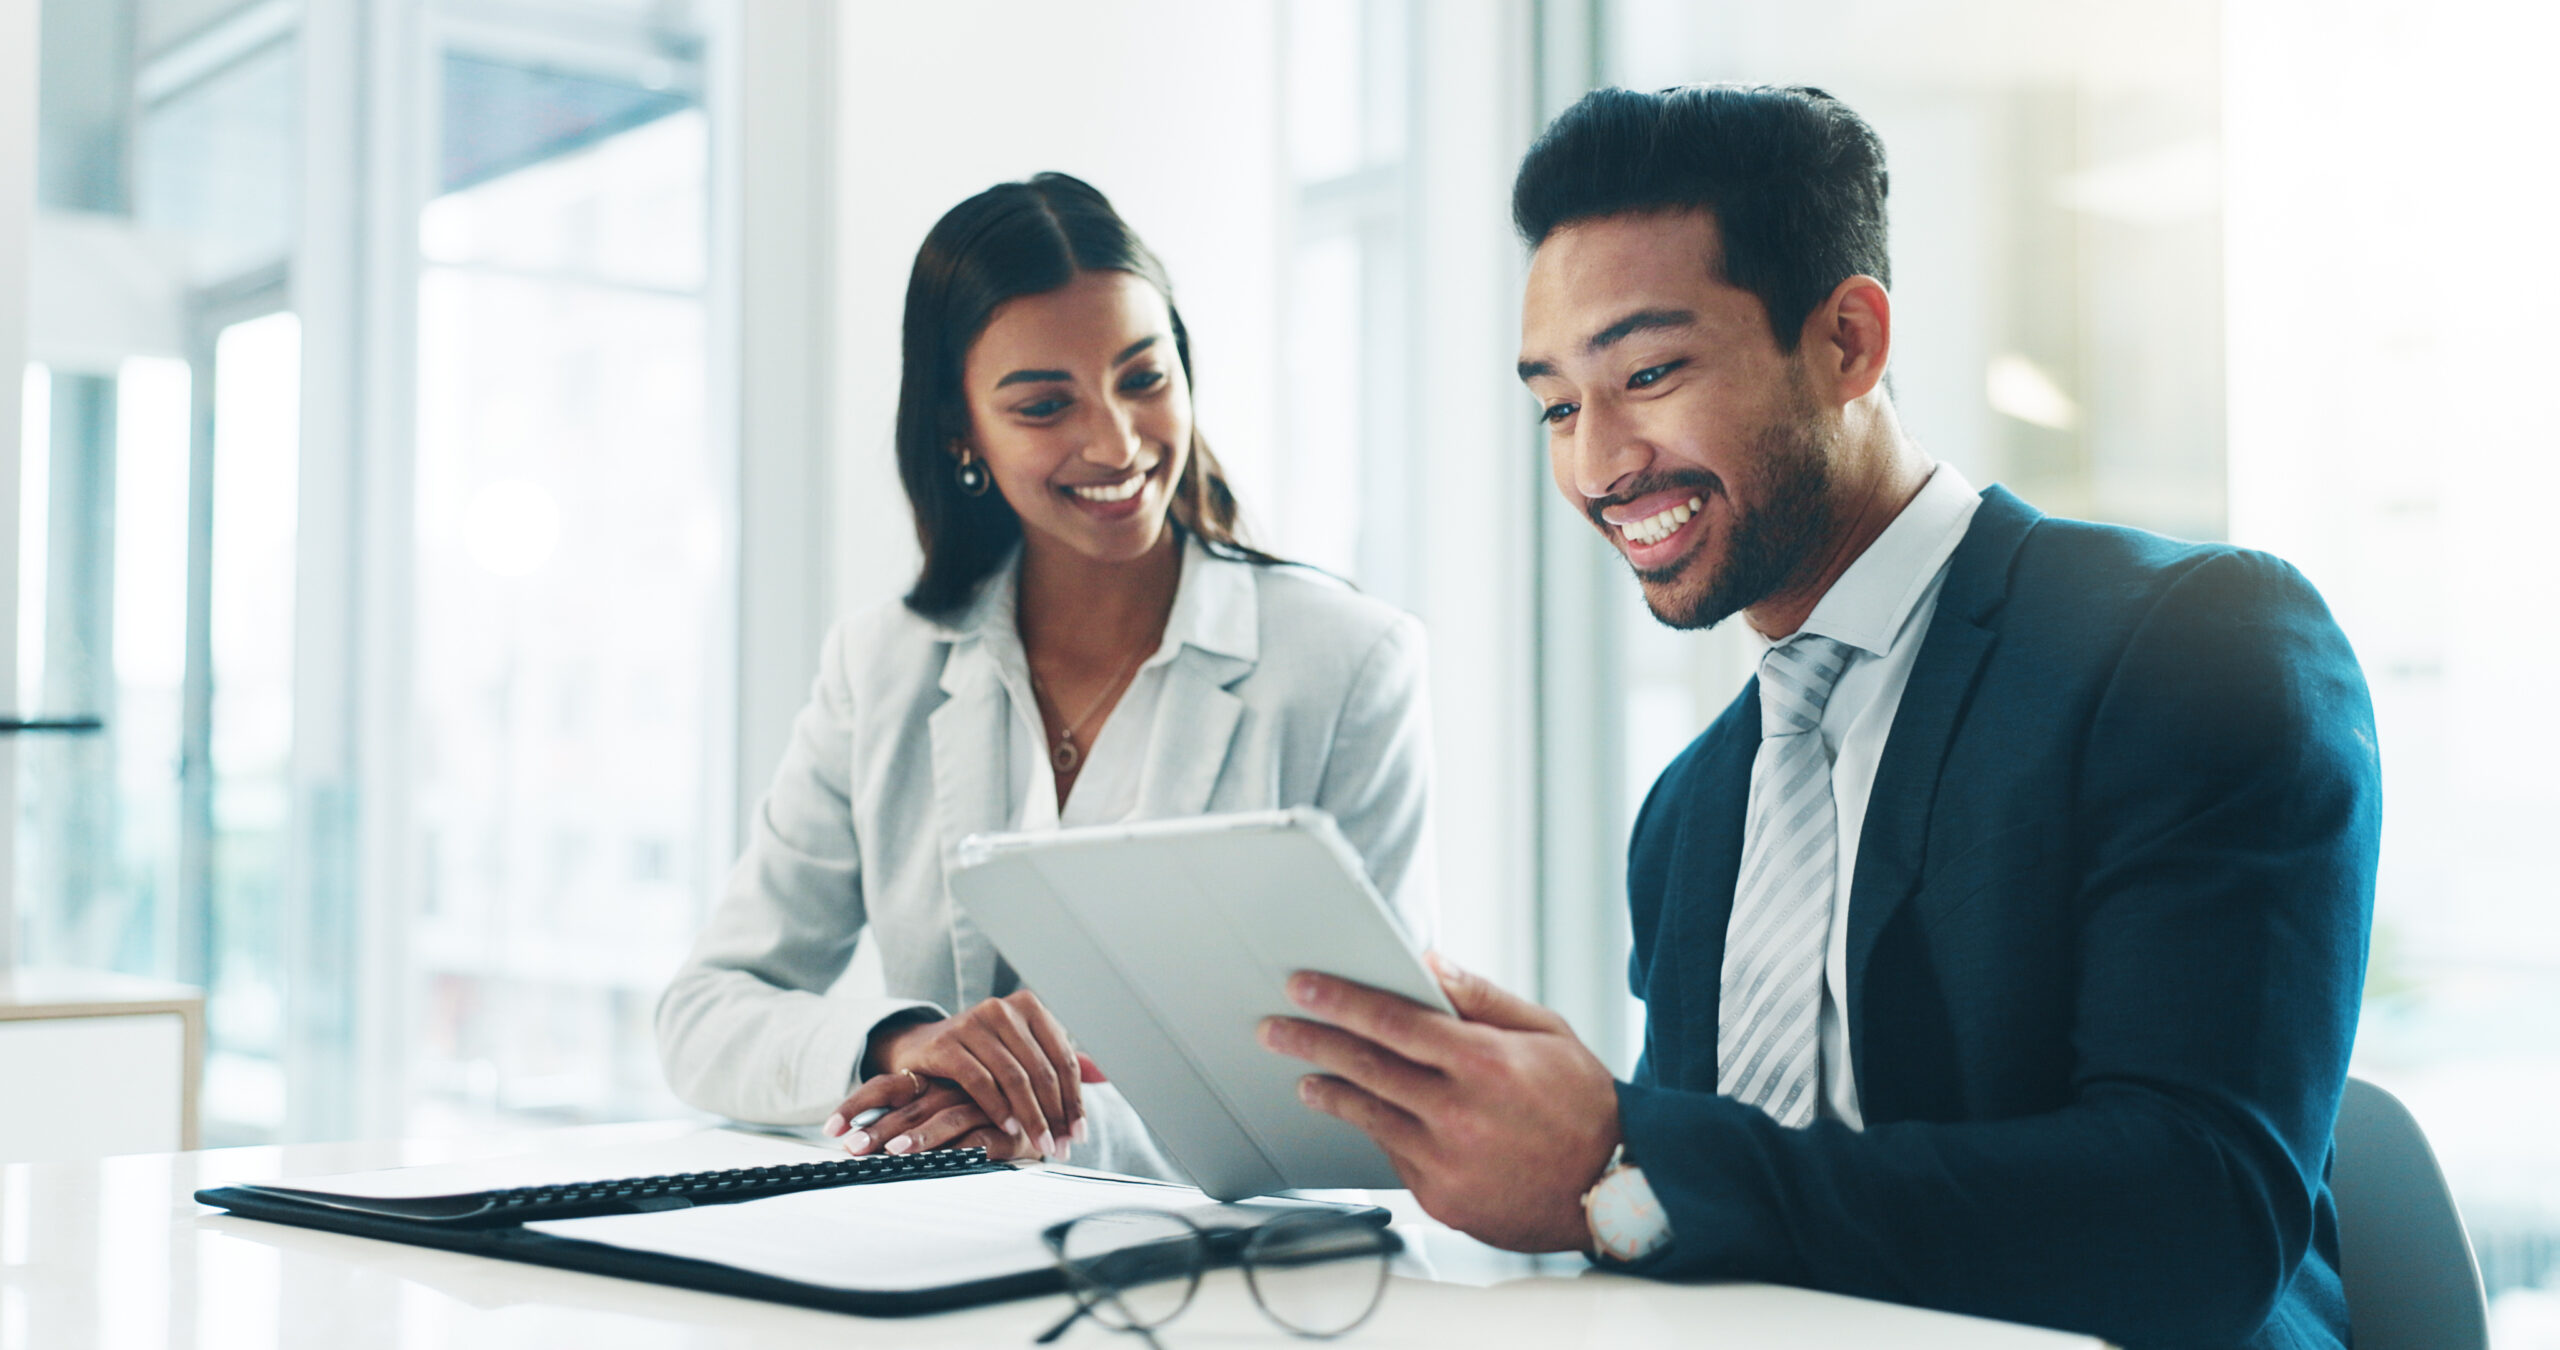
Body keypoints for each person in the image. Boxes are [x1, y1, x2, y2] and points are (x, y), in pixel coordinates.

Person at [1260, 85, 2377, 1350]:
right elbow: (1709, 1227)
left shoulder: (2190, 648)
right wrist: (1552, 1160)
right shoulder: (1691, 812)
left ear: (1846, 342)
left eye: (1648, 372)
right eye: (1559, 407)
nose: (1596, 464)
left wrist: (1620, 1152)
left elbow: (2193, 1225)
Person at [659, 172, 1435, 1177]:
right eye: (1042, 405)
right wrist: (906, 1044)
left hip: (1236, 1283)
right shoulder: (883, 665)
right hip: (947, 1264)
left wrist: (1032, 1122)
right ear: (961, 429)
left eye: (1144, 379)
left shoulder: (1347, 662)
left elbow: (1391, 1078)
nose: (1115, 441)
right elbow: (706, 1015)